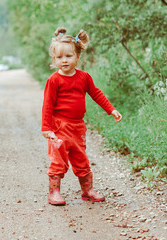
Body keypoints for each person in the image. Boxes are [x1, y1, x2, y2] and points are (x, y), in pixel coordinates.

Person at [42, 27, 122, 206]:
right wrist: (47, 128)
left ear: (77, 56)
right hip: (59, 127)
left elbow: (96, 94)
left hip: (78, 127)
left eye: (68, 56)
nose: (64, 60)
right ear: (54, 59)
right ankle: (54, 192)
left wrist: (111, 109)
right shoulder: (54, 80)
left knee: (81, 159)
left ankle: (87, 190)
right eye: (59, 57)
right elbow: (47, 105)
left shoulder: (84, 77)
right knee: (58, 161)